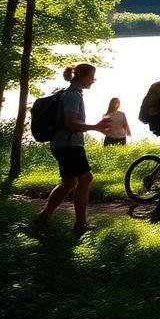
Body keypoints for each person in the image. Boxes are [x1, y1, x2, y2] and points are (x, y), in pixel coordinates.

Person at [34, 63, 111, 235]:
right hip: (69, 145)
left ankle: (43, 217)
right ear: (83, 77)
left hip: (63, 144)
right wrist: (95, 127)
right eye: (92, 77)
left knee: (70, 182)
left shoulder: (72, 93)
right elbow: (70, 123)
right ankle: (80, 224)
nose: (93, 81)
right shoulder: (72, 96)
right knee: (85, 178)